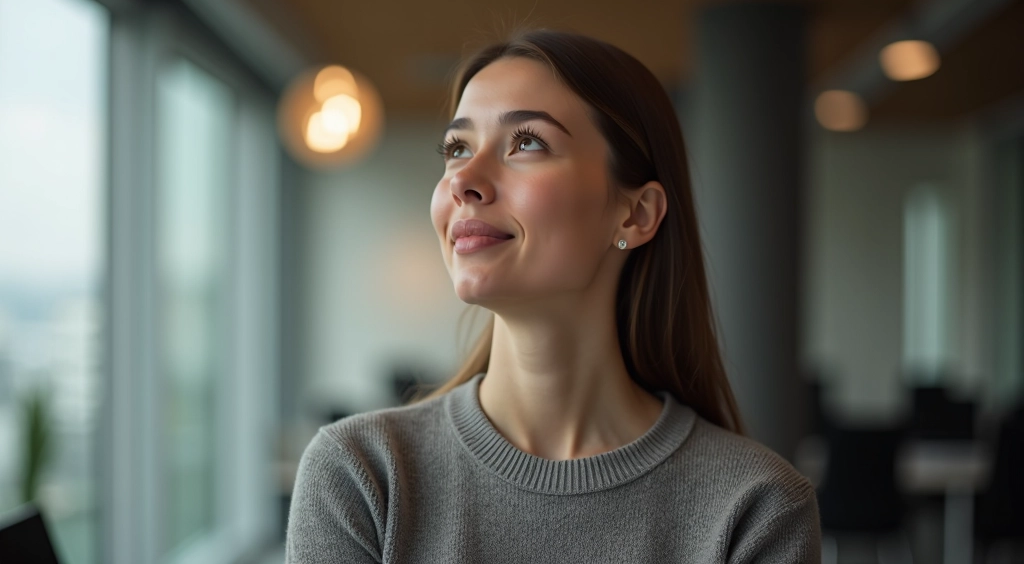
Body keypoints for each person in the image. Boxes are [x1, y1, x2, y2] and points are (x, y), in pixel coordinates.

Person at [285, 29, 820, 563]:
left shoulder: (757, 506)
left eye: (527, 143)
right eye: (456, 148)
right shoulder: (360, 476)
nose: (463, 180)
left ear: (636, 214)